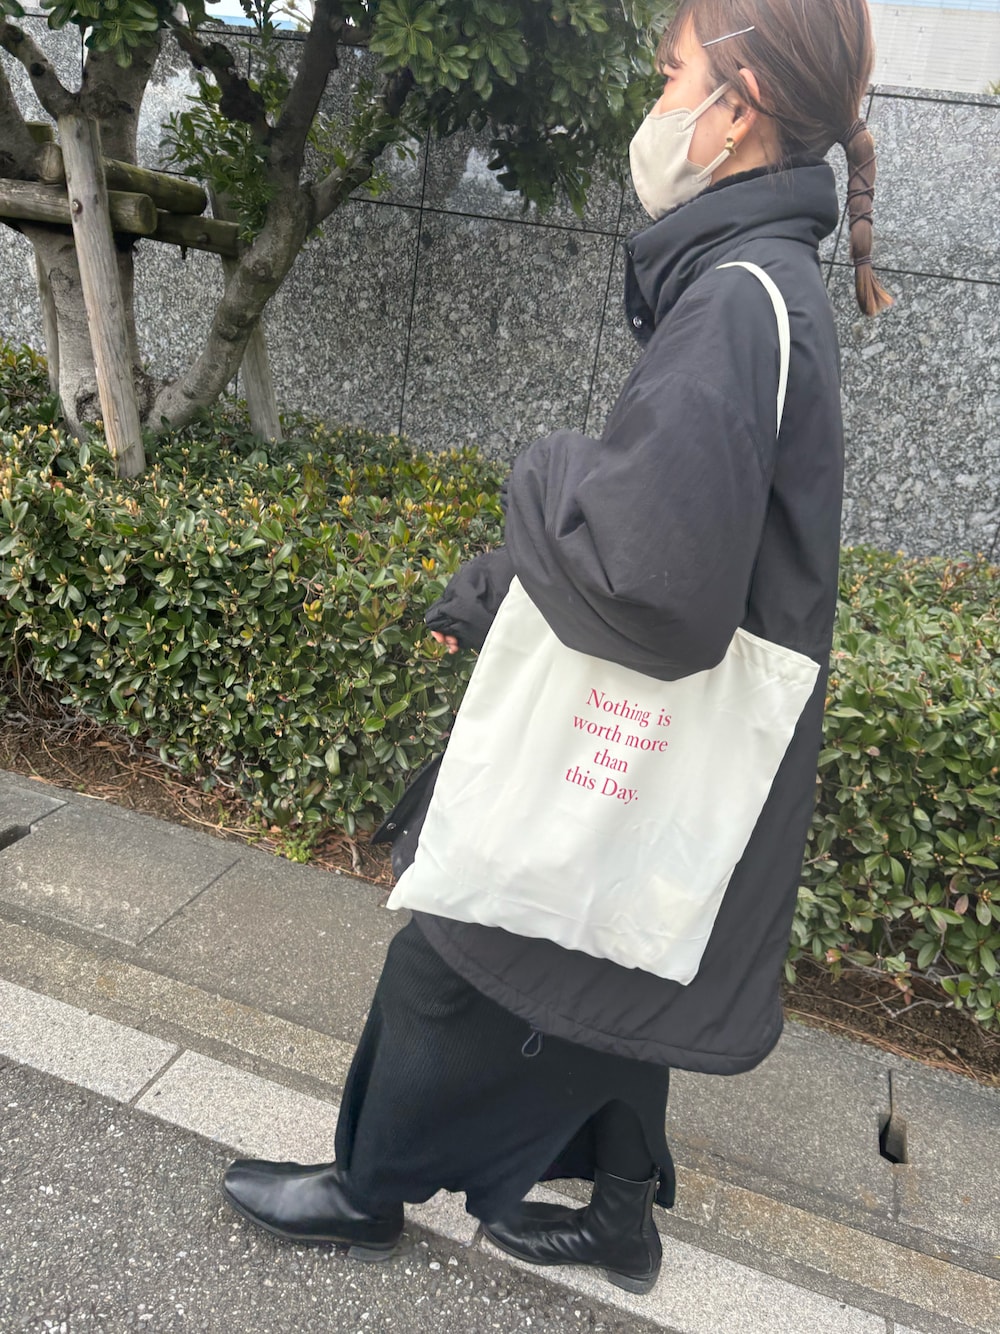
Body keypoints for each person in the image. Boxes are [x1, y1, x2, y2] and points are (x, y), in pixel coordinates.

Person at [220, 0, 892, 1296]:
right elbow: (688, 531)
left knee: (460, 939)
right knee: (629, 944)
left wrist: (544, 469)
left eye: (671, 74)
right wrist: (508, 575)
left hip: (647, 706)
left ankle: (367, 1189)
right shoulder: (762, 283)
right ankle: (620, 1215)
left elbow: (651, 580)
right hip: (698, 738)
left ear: (739, 107)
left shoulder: (736, 302)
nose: (657, 103)